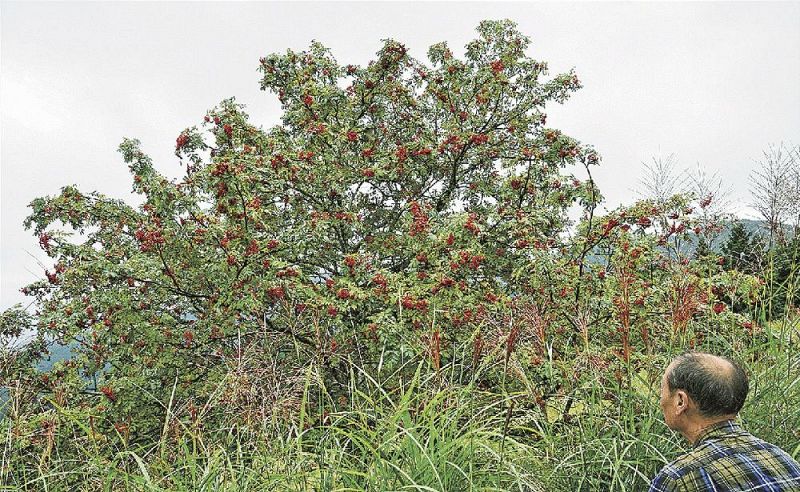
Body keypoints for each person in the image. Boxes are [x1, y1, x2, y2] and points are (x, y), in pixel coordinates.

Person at [649, 352, 800, 491]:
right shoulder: (785, 461)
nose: (661, 400)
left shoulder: (678, 479)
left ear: (681, 401)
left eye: (662, 389)